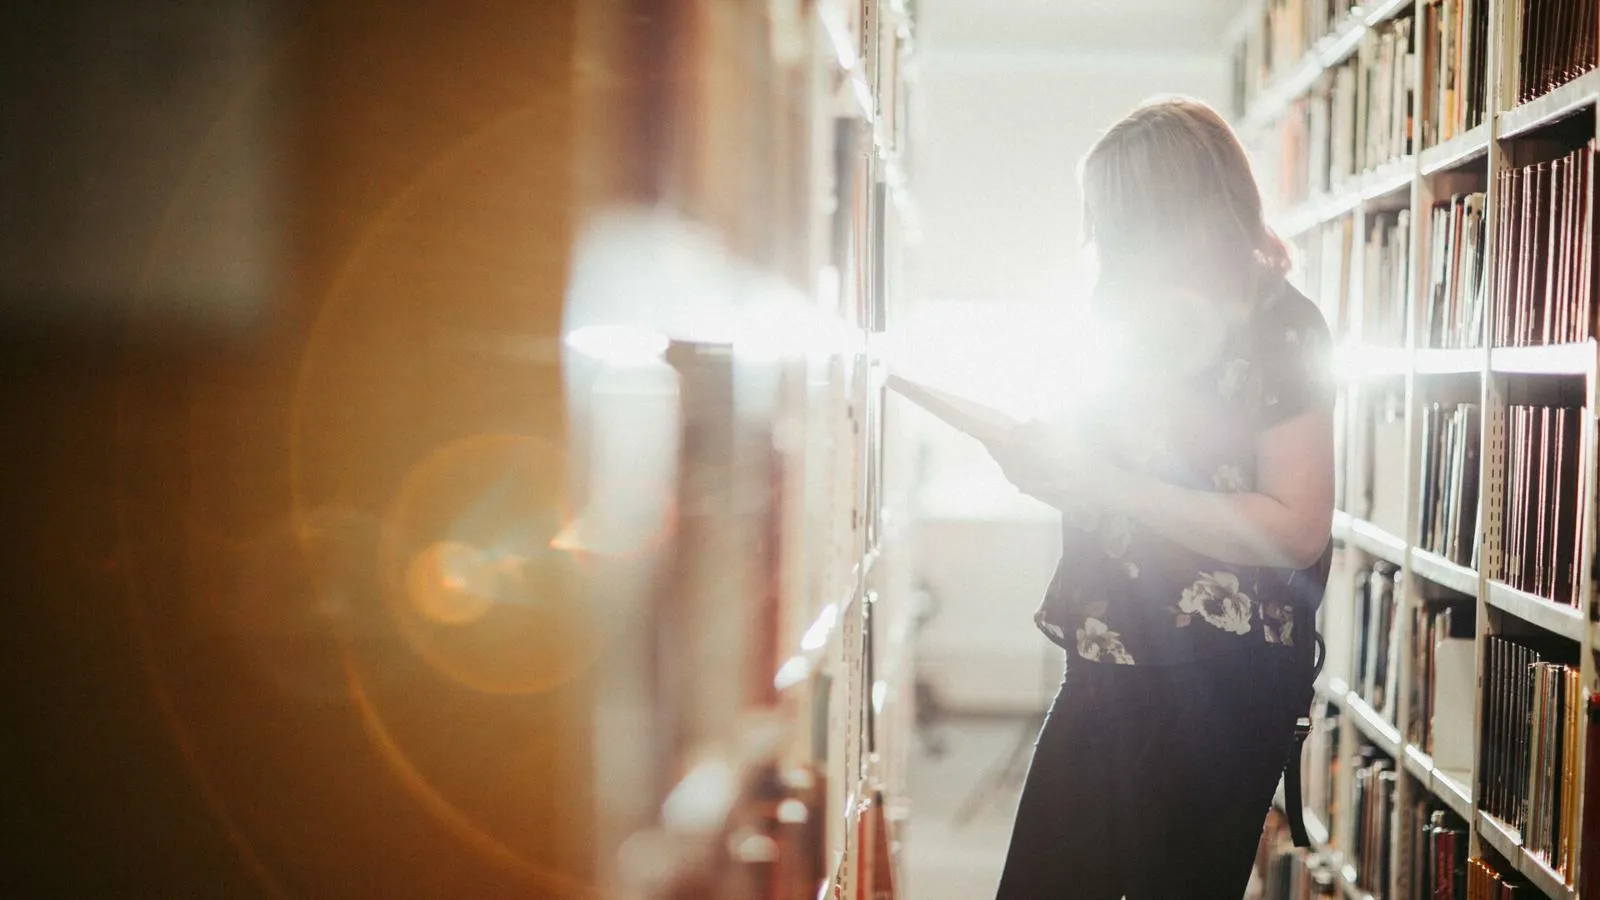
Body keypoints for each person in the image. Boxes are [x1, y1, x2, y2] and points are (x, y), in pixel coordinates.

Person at [987, 95, 1336, 899]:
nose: (1098, 239)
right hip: (1107, 657)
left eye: (1112, 217)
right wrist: (1047, 466)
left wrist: (1111, 482)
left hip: (1221, 682)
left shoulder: (1283, 326)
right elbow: (1117, 478)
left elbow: (1297, 529)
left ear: (1169, 211)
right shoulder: (1127, 315)